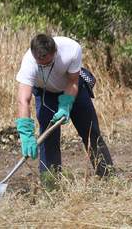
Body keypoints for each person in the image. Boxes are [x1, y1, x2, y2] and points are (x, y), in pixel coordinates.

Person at [15, 33, 113, 179]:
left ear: (55, 52)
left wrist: (65, 105)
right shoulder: (29, 62)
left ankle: (107, 176)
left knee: (90, 132)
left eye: (48, 63)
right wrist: (25, 133)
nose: (44, 67)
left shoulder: (71, 49)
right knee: (48, 137)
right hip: (45, 94)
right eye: (40, 64)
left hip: (73, 90)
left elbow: (73, 81)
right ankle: (51, 183)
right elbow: (24, 99)